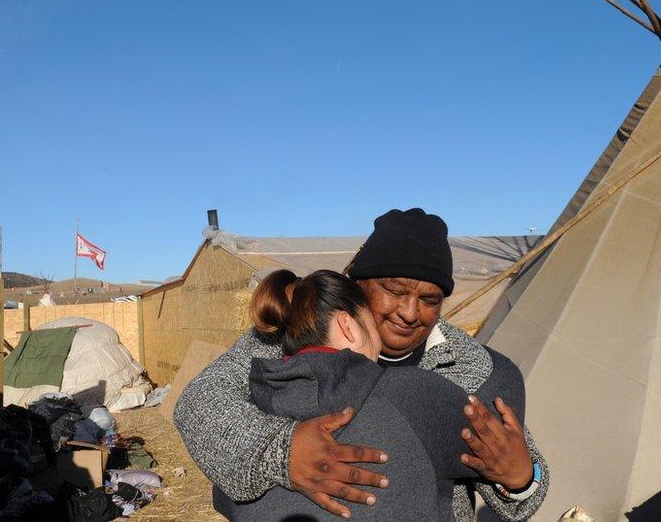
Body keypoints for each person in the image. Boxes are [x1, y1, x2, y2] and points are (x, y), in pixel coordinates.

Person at [175, 209, 548, 520]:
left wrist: (520, 479)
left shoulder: (475, 372)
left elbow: (525, 487)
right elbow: (199, 403)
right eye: (395, 291)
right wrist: (281, 452)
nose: (409, 312)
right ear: (358, 283)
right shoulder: (290, 334)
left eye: (430, 299)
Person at [215, 269, 530, 521]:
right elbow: (497, 453)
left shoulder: (247, 414)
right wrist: (524, 476)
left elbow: (224, 497)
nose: (407, 313)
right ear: (348, 325)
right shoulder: (413, 394)